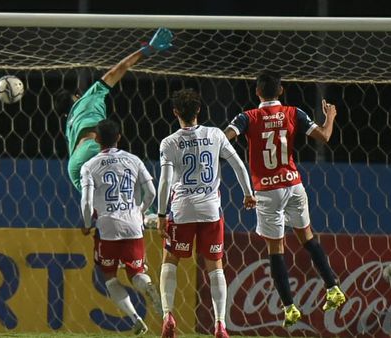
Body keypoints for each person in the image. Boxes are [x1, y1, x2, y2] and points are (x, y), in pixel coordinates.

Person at [224, 70, 346, 327]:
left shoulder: (248, 117)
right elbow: (324, 136)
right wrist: (330, 116)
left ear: (257, 92)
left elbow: (225, 138)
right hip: (293, 185)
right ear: (281, 91)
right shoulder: (294, 112)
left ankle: (290, 308)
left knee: (275, 249)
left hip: (266, 192)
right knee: (308, 237)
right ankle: (333, 287)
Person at [157, 89, 256, 338]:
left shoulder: (169, 142)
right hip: (211, 210)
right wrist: (248, 193)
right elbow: (237, 164)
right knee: (215, 267)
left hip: (181, 210)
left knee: (170, 260)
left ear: (176, 112)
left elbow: (165, 181)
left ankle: (168, 314)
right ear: (199, 110)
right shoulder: (215, 135)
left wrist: (160, 214)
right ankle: (220, 324)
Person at [59, 27, 173, 191]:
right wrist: (148, 49)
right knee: (132, 199)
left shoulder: (69, 124)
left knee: (104, 209)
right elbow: (117, 70)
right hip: (93, 149)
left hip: (74, 165)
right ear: (76, 97)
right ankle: (149, 215)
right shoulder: (88, 97)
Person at [80, 119, 161, 335]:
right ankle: (147, 286)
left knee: (109, 275)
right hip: (133, 224)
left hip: (106, 228)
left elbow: (87, 202)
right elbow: (151, 192)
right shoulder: (133, 160)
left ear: (96, 139)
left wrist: (87, 224)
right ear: (119, 137)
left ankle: (135, 318)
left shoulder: (89, 166)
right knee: (136, 272)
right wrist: (140, 212)